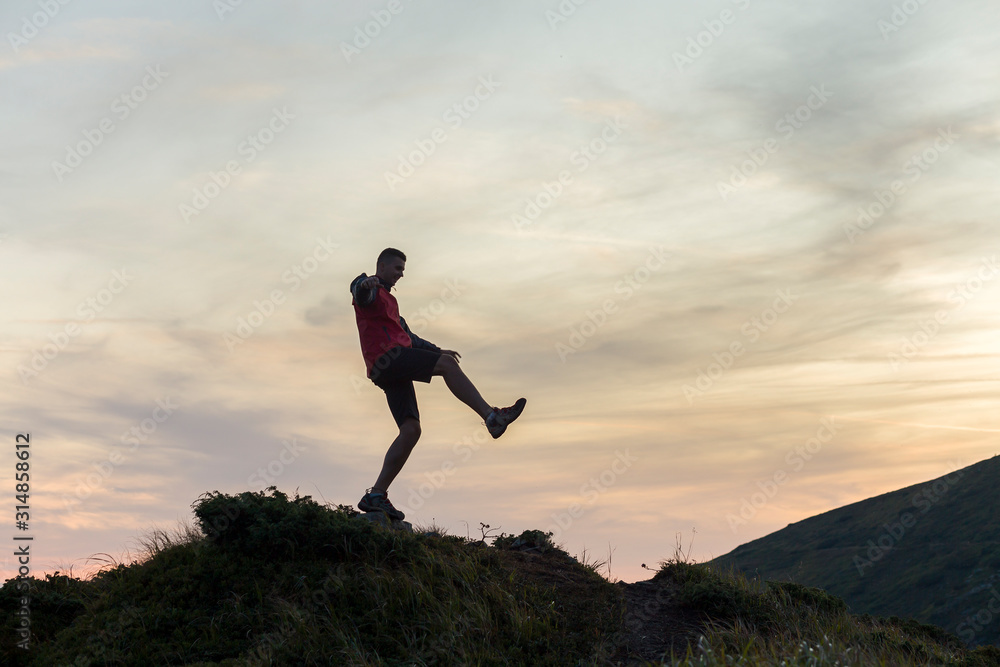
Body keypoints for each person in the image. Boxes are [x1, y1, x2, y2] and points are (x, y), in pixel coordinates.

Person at [350, 247, 526, 520]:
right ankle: (492, 417)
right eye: (397, 268)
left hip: (389, 368)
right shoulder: (370, 290)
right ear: (381, 266)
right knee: (446, 367)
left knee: (411, 430)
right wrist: (365, 284)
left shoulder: (391, 305)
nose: (400, 274)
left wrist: (438, 351)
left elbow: (410, 338)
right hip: (388, 358)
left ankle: (376, 495)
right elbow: (360, 293)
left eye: (403, 271)